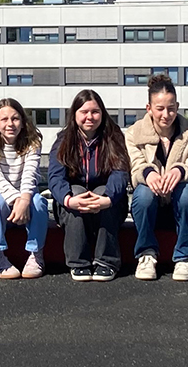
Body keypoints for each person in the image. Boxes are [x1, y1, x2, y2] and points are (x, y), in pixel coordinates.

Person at [127, 74, 188, 282]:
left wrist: (180, 171)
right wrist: (149, 173)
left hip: (179, 204)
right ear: (149, 108)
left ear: (177, 106)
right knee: (143, 193)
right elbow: (135, 167)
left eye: (171, 108)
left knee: (186, 193)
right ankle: (146, 254)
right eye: (160, 108)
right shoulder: (134, 133)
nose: (166, 114)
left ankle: (186, 257)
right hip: (150, 205)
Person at [48, 90, 131, 282]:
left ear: (102, 113)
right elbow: (55, 177)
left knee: (103, 190)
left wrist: (107, 198)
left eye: (95, 112)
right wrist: (68, 199)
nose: (90, 117)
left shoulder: (114, 137)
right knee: (76, 191)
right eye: (84, 112)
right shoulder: (63, 140)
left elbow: (120, 173)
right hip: (71, 204)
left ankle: (106, 262)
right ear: (74, 114)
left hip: (108, 203)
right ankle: (79, 263)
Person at [0, 98, 49, 280]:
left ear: (23, 122)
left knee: (39, 202)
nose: (10, 124)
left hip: (26, 195)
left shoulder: (33, 143)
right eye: (4, 119)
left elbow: (30, 175)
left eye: (15, 118)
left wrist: (24, 200)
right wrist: (17, 200)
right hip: (2, 195)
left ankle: (35, 254)